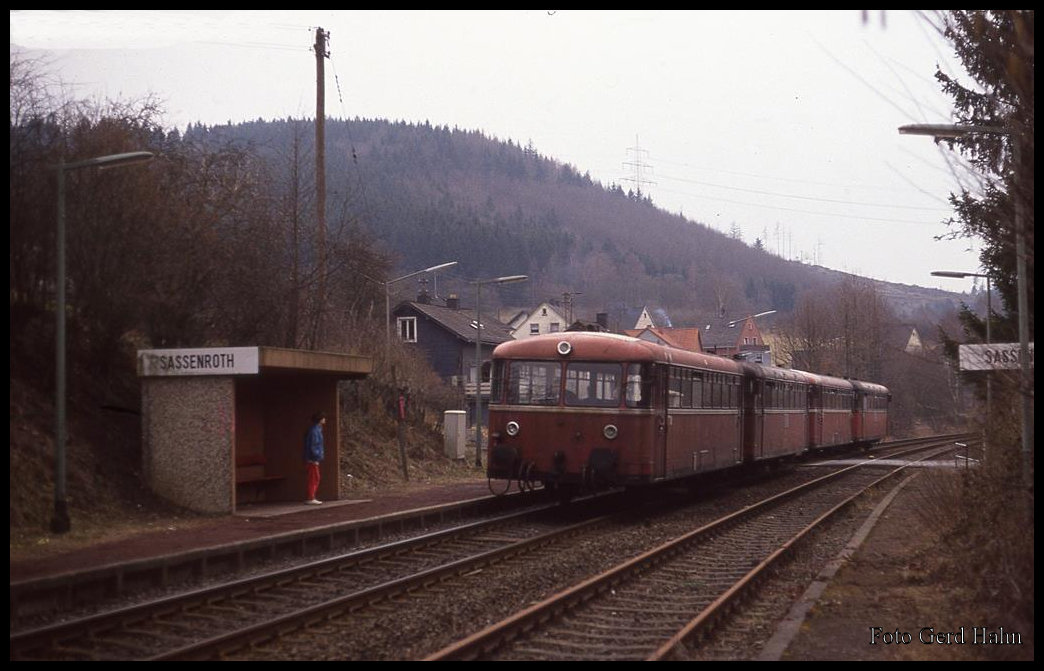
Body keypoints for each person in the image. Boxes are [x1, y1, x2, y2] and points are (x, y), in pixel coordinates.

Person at [303, 411, 326, 504]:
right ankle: (311, 497)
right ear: (320, 419)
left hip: (312, 458)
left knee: (315, 477)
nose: (325, 420)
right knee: (314, 478)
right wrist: (315, 458)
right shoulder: (315, 431)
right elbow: (313, 445)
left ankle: (312, 496)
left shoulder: (316, 430)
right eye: (323, 418)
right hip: (312, 459)